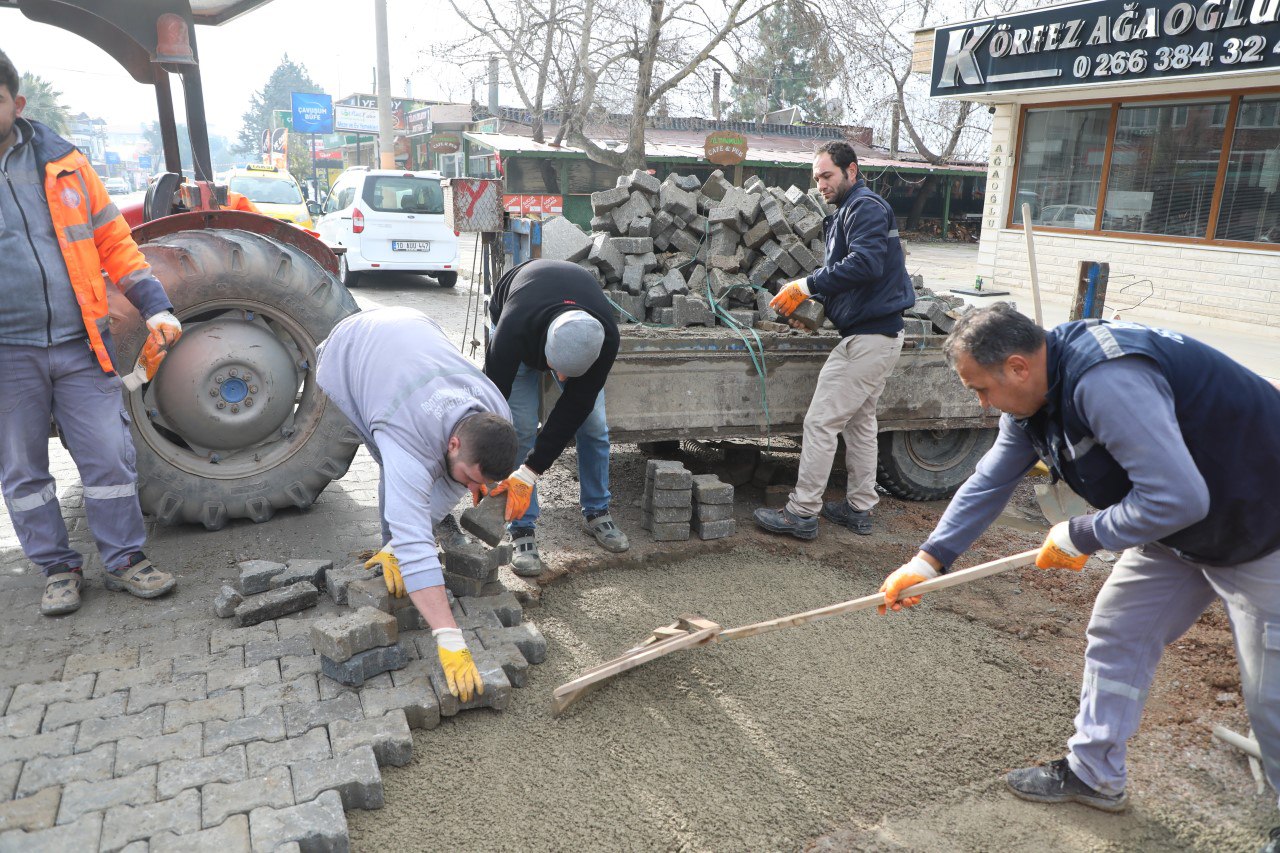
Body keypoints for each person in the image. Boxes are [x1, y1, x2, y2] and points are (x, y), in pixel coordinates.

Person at [878, 304, 1280, 850]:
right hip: (1182, 532)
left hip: (1262, 526)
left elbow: (1178, 496)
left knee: (1270, 695)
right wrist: (927, 560)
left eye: (980, 389)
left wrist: (1083, 533)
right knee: (1118, 632)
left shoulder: (1106, 380)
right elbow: (988, 482)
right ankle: (1095, 774)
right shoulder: (1031, 404)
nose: (981, 403)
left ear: (1017, 367)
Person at [0, 50, 181, 616]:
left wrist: (154, 304)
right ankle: (57, 567)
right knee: (23, 470)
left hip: (82, 343)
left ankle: (125, 558)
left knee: (109, 456)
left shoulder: (65, 164)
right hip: (8, 353)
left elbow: (113, 241)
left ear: (17, 104)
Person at [316, 306, 518, 702]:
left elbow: (454, 480)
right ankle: (396, 545)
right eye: (472, 480)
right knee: (392, 465)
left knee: (436, 483)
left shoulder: (496, 413)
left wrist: (473, 485)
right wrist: (448, 636)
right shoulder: (405, 433)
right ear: (455, 442)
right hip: (353, 348)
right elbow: (417, 492)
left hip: (416, 329)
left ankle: (395, 548)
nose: (472, 491)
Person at [754, 140, 916, 540]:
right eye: (816, 178)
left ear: (852, 170)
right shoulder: (849, 210)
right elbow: (852, 272)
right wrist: (811, 301)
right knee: (860, 425)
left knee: (821, 422)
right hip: (877, 335)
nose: (820, 184)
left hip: (869, 338)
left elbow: (864, 263)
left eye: (827, 175)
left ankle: (802, 512)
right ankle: (860, 508)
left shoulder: (864, 207)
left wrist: (806, 284)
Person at [484, 259, 628, 577]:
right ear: (546, 350)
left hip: (565, 309)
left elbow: (573, 411)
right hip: (522, 321)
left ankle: (597, 510)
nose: (559, 377)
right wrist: (482, 465)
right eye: (556, 368)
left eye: (567, 375)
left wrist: (531, 472)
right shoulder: (512, 330)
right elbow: (491, 400)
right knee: (519, 427)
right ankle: (521, 527)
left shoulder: (606, 337)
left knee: (593, 425)